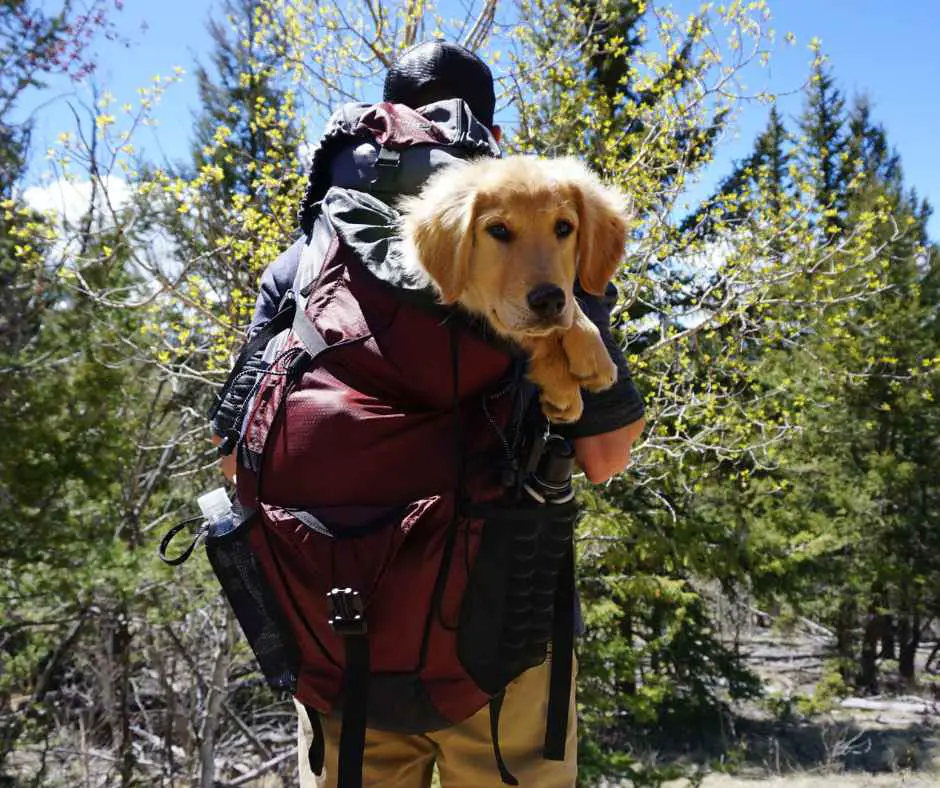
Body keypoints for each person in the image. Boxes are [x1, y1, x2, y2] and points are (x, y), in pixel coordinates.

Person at [215, 41, 645, 788]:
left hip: (341, 632)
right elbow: (607, 458)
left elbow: (234, 453)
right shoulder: (542, 237)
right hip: (504, 634)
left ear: (386, 122)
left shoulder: (306, 262)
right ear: (492, 137)